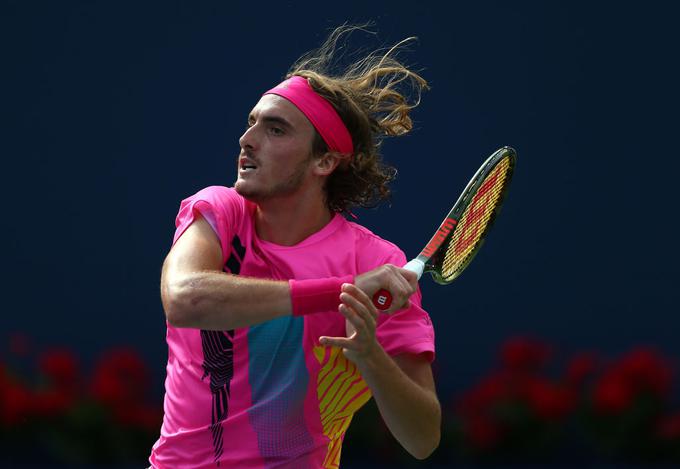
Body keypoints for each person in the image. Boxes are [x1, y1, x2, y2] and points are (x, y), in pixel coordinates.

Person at [149, 26, 440, 469]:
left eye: (276, 130)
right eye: (251, 124)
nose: (247, 141)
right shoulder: (220, 212)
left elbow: (423, 439)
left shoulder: (377, 262)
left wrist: (370, 356)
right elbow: (184, 299)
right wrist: (343, 290)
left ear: (324, 161)